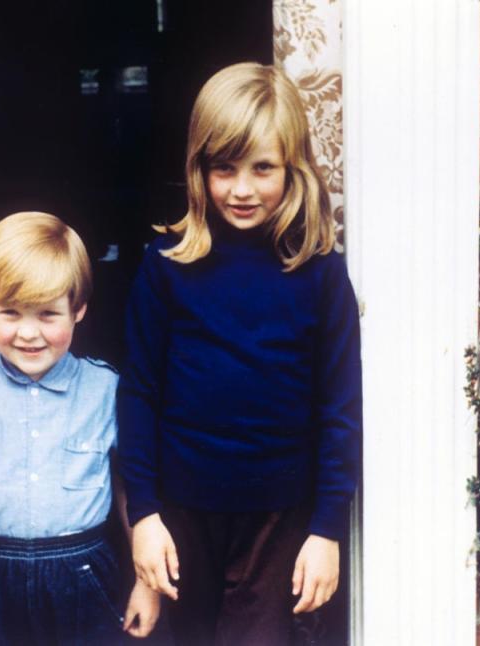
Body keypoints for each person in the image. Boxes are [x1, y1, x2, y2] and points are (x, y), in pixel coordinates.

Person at [118, 63, 362, 646]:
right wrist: (144, 518)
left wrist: (327, 530)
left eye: (263, 168)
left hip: (280, 519)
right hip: (184, 512)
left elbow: (341, 408)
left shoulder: (321, 272)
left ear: (292, 168)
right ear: (199, 169)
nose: (242, 189)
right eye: (223, 169)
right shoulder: (166, 265)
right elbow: (138, 395)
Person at [0, 211, 160, 645]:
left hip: (84, 569)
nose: (28, 333)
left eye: (48, 314)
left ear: (79, 309)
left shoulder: (106, 389)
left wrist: (146, 583)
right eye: (11, 313)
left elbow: (131, 487)